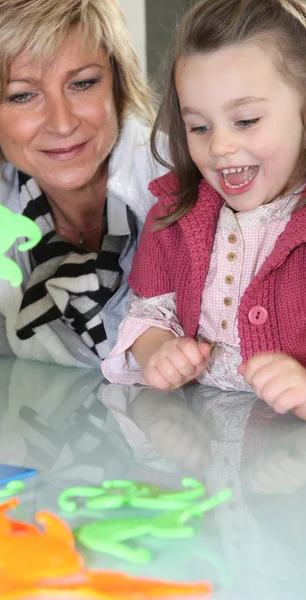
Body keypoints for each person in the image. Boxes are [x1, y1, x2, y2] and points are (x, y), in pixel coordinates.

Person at [102, 0, 306, 419]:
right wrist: (160, 350)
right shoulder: (174, 214)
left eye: (246, 120)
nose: (219, 147)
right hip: (203, 441)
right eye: (199, 126)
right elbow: (147, 313)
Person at [0, 0, 167, 368]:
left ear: (117, 86)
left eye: (82, 83)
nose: (62, 124)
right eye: (22, 95)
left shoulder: (189, 179)